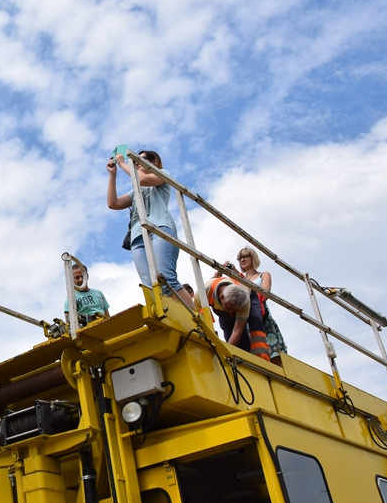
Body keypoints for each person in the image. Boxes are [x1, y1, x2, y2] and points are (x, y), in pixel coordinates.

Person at [106, 150, 193, 308]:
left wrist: (123, 163)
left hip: (160, 229)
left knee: (166, 278)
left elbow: (143, 179)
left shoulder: (162, 175)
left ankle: (198, 320)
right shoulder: (135, 192)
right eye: (135, 160)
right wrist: (113, 175)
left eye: (141, 159)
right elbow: (113, 203)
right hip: (138, 238)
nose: (137, 162)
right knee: (150, 285)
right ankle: (170, 318)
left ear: (154, 163)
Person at [237, 246, 287, 365]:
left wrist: (243, 281)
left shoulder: (264, 275)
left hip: (262, 315)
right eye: (239, 258)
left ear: (252, 258)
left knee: (273, 352)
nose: (242, 260)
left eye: (245, 257)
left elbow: (265, 293)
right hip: (245, 317)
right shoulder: (237, 278)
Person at [206, 276, 271, 361]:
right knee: (228, 331)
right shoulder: (204, 292)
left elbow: (237, 331)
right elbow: (196, 312)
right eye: (229, 309)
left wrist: (225, 354)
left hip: (248, 294)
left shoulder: (245, 302)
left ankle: (261, 358)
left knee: (255, 320)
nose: (231, 313)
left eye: (234, 311)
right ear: (221, 297)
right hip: (219, 300)